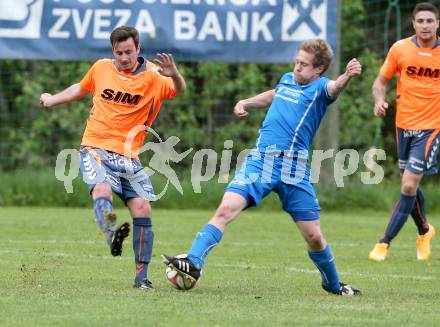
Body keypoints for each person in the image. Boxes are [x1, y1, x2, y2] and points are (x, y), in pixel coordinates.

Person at [163, 39, 362, 295]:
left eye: (304, 64)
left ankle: (334, 285)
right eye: (297, 62)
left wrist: (347, 75)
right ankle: (193, 262)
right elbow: (274, 94)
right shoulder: (288, 78)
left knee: (313, 236)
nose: (298, 67)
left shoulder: (321, 89)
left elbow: (335, 88)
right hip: (261, 160)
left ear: (319, 69)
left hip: (294, 169)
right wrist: (246, 102)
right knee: (226, 209)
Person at [40, 25, 186, 289]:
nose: (124, 58)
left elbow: (179, 90)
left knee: (142, 208)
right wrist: (51, 99)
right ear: (113, 52)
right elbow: (80, 88)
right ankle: (110, 233)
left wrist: (174, 74)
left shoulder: (154, 76)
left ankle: (141, 278)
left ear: (138, 49)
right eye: (119, 53)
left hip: (130, 157)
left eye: (128, 52)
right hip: (95, 146)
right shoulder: (101, 68)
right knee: (102, 188)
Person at [368, 2, 438, 262]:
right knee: (410, 185)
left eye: (430, 21)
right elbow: (380, 82)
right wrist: (379, 100)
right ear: (414, 23)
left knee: (408, 185)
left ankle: (384, 242)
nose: (425, 25)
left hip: (431, 128)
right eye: (420, 21)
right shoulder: (400, 49)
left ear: (437, 23)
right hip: (403, 125)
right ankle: (424, 230)